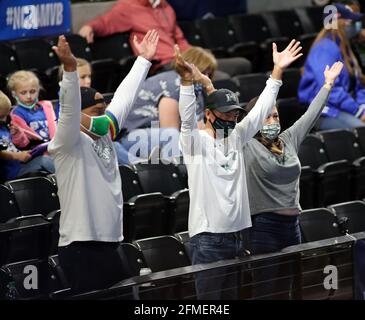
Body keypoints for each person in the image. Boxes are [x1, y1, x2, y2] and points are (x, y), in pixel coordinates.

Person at [176, 39, 303, 299]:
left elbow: (261, 109)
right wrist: (188, 83)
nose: (232, 119)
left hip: (238, 236)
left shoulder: (236, 137)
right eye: (225, 115)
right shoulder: (195, 143)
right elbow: (187, 119)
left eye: (234, 115)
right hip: (208, 238)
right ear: (210, 115)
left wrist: (277, 71)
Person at [47, 30, 159, 293]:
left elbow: (123, 98)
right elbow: (69, 107)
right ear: (80, 115)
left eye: (103, 107)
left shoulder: (105, 132)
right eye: (97, 110)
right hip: (80, 245)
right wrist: (70, 69)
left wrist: (143, 61)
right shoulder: (67, 141)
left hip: (111, 242)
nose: (104, 113)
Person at [78, 0, 250, 77]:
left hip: (185, 59)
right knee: (222, 77)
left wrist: (198, 55)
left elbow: (180, 40)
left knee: (243, 64)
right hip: (165, 65)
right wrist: (89, 27)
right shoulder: (128, 7)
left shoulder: (166, 7)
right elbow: (105, 22)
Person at [114, 46, 217, 164]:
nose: (206, 77)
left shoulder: (198, 89)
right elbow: (169, 128)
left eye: (209, 73)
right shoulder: (174, 83)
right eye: (204, 72)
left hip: (157, 136)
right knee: (172, 136)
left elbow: (198, 128)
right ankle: (175, 176)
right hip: (133, 136)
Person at [298, 2, 365, 130]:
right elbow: (329, 89)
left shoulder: (344, 47)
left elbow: (358, 83)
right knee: (362, 132)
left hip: (343, 107)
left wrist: (363, 105)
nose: (353, 25)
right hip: (324, 112)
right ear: (340, 23)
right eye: (350, 21)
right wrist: (358, 111)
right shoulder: (324, 48)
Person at [0, 90, 55, 181]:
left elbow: (20, 144)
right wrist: (17, 156)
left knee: (46, 158)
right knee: (44, 161)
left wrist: (16, 134)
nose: (4, 120)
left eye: (6, 116)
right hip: (12, 172)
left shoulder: (5, 127)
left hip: (21, 164)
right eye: (1, 117)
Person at [8, 70, 57, 149]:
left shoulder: (48, 107)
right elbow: (22, 143)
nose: (28, 96)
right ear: (14, 94)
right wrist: (17, 134)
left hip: (55, 147)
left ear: (38, 90)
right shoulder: (16, 113)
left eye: (32, 91)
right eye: (23, 93)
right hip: (36, 150)